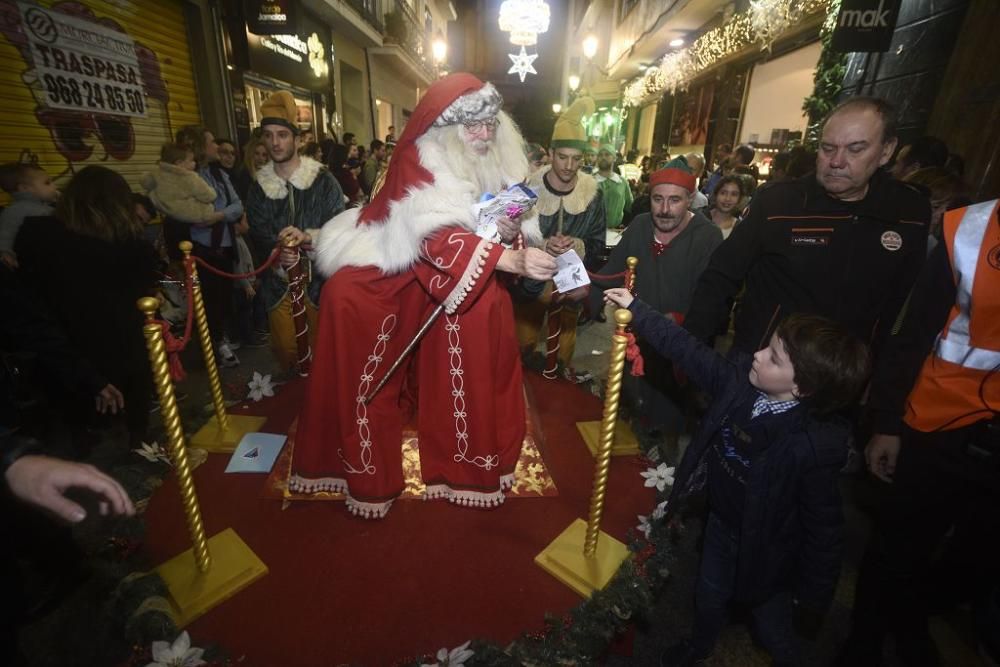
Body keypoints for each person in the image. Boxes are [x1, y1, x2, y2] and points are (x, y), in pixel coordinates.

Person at [283, 73, 553, 518]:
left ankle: (467, 460)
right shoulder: (422, 154)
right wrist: (508, 260)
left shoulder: (503, 162)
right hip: (399, 260)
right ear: (448, 128)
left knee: (483, 308)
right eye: (473, 127)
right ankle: (366, 463)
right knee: (347, 301)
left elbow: (502, 227)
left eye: (490, 125)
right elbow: (432, 235)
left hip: (461, 268)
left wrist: (507, 237)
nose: (484, 135)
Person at [606, 286, 870, 667]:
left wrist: (812, 598)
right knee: (708, 593)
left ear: (801, 388)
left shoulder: (811, 451)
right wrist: (638, 309)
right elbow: (687, 350)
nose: (758, 355)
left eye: (774, 358)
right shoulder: (738, 383)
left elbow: (824, 533)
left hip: (770, 549)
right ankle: (700, 644)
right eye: (768, 346)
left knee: (772, 623)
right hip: (723, 524)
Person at [840, 198, 1000, 666]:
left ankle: (909, 618)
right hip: (938, 419)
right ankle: (863, 640)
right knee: (899, 541)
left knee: (979, 557)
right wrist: (887, 423)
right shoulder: (966, 230)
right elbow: (911, 336)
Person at [684, 97, 931, 356]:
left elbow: (903, 309)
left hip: (846, 379)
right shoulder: (779, 204)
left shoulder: (909, 213)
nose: (837, 161)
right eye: (827, 148)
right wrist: (691, 350)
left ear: (886, 151)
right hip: (763, 368)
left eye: (855, 149)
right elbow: (722, 275)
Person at [15, 166, 160, 448]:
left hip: (64, 355)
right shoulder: (130, 247)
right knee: (133, 420)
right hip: (122, 352)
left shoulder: (37, 237)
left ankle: (85, 444)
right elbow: (143, 293)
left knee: (79, 431)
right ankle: (137, 439)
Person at [595, 160, 722, 437]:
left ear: (690, 199)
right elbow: (612, 273)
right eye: (657, 199)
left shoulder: (707, 237)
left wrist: (678, 324)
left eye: (674, 200)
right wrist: (581, 291)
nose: (664, 210)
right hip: (635, 343)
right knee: (628, 416)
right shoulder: (640, 225)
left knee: (666, 424)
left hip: (678, 348)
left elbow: (712, 302)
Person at [245, 91, 345, 371]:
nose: (275, 142)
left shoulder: (323, 181)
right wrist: (278, 251)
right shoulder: (258, 187)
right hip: (278, 286)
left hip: (319, 286)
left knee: (325, 355)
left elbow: (339, 227)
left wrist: (309, 238)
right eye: (268, 135)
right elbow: (258, 231)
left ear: (297, 139)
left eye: (282, 134)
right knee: (287, 352)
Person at [517, 97, 605, 375]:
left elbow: (598, 244)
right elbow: (504, 233)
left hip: (570, 287)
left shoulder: (593, 193)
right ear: (551, 153)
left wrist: (578, 245)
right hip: (529, 287)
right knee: (521, 353)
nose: (569, 165)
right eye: (563, 157)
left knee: (561, 361)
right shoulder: (526, 187)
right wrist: (541, 244)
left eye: (576, 159)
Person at [174, 125, 244, 367]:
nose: (216, 146)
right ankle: (211, 345)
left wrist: (219, 216)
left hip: (223, 247)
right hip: (199, 252)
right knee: (206, 302)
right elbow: (187, 213)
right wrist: (207, 217)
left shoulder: (220, 176)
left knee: (224, 298)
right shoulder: (184, 178)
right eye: (212, 142)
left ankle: (220, 338)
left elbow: (237, 206)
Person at [142, 143, 225, 227]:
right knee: (208, 209)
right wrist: (213, 191)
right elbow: (209, 196)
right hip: (189, 214)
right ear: (179, 163)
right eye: (191, 160)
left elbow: (145, 182)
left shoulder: (157, 172)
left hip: (163, 207)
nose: (194, 163)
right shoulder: (189, 177)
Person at [0, 163, 59, 269]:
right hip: (34, 263)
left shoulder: (46, 205)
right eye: (47, 183)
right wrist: (6, 253)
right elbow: (5, 234)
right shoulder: (15, 211)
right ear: (25, 188)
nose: (55, 186)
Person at [595, 145, 633, 230]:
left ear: (614, 158)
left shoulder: (622, 183)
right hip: (592, 232)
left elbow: (629, 207)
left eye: (607, 154)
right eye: (600, 155)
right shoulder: (589, 181)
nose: (603, 157)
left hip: (615, 231)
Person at [704, 175, 744, 240]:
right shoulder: (700, 217)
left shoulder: (739, 228)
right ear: (716, 194)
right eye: (723, 193)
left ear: (739, 199)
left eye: (734, 194)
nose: (728, 199)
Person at [231, 135, 269, 204]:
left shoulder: (266, 172)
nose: (260, 158)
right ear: (250, 154)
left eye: (264, 155)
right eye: (257, 153)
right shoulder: (243, 173)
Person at [327, 142, 364, 207]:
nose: (348, 156)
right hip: (350, 206)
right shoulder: (345, 173)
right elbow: (356, 190)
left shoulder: (329, 172)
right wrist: (354, 176)